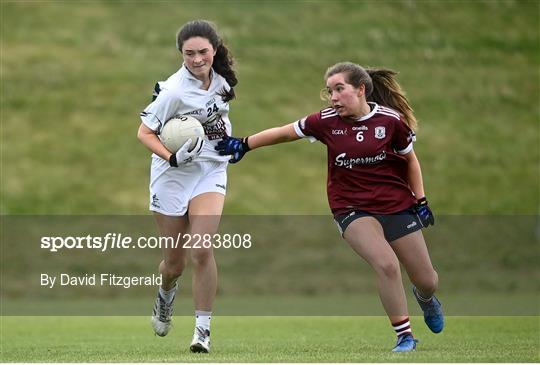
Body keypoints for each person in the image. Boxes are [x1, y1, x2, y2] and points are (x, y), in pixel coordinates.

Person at [216, 62, 444, 352]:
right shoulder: (325, 122)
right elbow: (284, 133)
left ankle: (426, 299)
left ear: (361, 90)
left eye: (339, 89)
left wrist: (421, 201)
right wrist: (244, 144)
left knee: (428, 280)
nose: (333, 97)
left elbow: (410, 161)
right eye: (329, 91)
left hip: (395, 205)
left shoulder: (391, 121)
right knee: (386, 264)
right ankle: (405, 336)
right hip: (350, 208)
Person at [137, 19, 238, 353]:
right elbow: (144, 132)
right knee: (174, 264)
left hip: (210, 170)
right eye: (189, 54)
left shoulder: (223, 81)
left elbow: (218, 118)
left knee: (202, 249)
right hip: (172, 175)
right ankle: (166, 295)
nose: (197, 60)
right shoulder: (173, 91)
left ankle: (202, 332)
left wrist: (230, 143)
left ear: (215, 49)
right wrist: (172, 157)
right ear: (181, 54)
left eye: (203, 52)